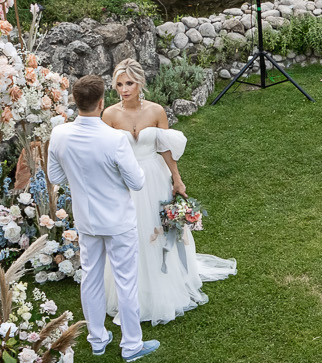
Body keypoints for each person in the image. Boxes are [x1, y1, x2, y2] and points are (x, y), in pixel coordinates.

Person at [101, 59, 236, 324]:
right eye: (119, 84)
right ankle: (133, 292)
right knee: (133, 233)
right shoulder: (109, 115)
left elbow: (164, 147)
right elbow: (107, 154)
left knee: (159, 230)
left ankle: (166, 281)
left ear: (140, 83)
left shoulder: (155, 111)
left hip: (155, 177)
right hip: (127, 182)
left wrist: (177, 179)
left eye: (129, 83)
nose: (124, 89)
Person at [48, 74, 158, 361]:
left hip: (86, 220)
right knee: (125, 281)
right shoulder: (115, 139)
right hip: (118, 221)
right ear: (101, 102)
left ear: (75, 101)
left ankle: (98, 340)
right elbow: (136, 182)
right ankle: (132, 345)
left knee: (91, 277)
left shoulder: (59, 134)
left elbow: (55, 176)